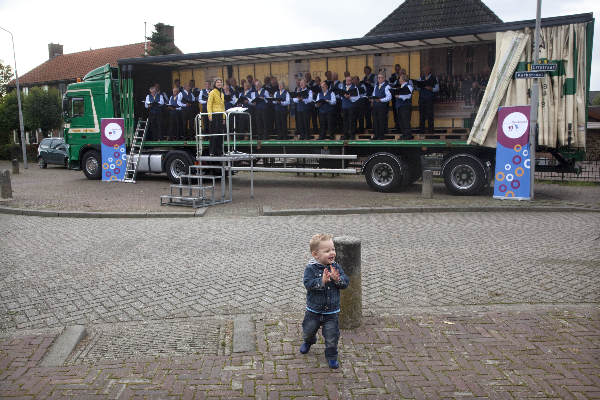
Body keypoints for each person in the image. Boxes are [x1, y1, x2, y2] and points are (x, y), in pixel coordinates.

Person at [300, 234, 349, 370]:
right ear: (316, 254)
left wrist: (337, 279)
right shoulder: (311, 268)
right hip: (313, 310)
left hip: (331, 311)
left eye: (333, 249)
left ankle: (332, 355)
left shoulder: (336, 267)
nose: (332, 253)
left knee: (332, 336)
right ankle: (309, 340)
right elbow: (308, 284)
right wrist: (321, 282)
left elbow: (345, 284)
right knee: (308, 330)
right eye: (327, 251)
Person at [207, 78, 225, 156]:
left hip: (220, 115)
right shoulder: (212, 92)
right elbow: (209, 104)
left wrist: (224, 117)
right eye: (217, 82)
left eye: (220, 82)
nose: (219, 83)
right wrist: (210, 115)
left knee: (220, 134)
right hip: (214, 114)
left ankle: (219, 151)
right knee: (214, 134)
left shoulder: (222, 93)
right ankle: (212, 151)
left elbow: (223, 106)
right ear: (214, 84)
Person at [417, 66, 439, 133]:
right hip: (422, 99)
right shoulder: (420, 78)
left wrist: (431, 88)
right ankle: (422, 130)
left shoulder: (434, 78)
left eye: (426, 70)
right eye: (424, 70)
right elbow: (417, 88)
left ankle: (431, 131)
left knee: (430, 115)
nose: (425, 71)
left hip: (429, 99)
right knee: (422, 115)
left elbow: (437, 89)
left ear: (429, 71)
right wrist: (419, 86)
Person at [371, 73, 392, 140]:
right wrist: (372, 99)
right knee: (375, 120)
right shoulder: (376, 86)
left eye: (380, 78)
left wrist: (381, 100)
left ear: (384, 79)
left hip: (382, 106)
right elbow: (373, 94)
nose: (379, 79)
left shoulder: (387, 86)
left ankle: (381, 136)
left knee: (381, 121)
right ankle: (376, 135)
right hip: (375, 106)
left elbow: (389, 97)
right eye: (378, 78)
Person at [394, 73, 413, 140]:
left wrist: (399, 96)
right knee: (401, 121)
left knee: (406, 121)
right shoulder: (401, 87)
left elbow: (408, 96)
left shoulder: (409, 86)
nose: (399, 79)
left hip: (405, 106)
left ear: (403, 79)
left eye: (400, 78)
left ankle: (408, 135)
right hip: (399, 106)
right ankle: (404, 134)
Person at [361, 66, 376, 131]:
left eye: (367, 70)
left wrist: (370, 83)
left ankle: (374, 127)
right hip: (366, 97)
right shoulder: (364, 78)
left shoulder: (374, 76)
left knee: (373, 112)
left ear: (370, 70)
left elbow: (376, 85)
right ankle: (368, 126)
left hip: (372, 97)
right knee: (367, 112)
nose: (366, 71)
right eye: (365, 70)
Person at [388, 64, 402, 130]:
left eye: (398, 69)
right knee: (394, 111)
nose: (397, 70)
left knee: (401, 111)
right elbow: (390, 84)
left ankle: (401, 125)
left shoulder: (404, 76)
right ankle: (396, 125)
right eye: (396, 69)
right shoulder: (392, 76)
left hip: (401, 97)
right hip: (394, 96)